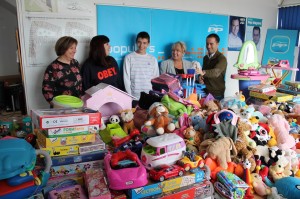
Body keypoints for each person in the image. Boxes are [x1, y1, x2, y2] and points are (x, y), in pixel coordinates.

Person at [42, 36, 82, 107]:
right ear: (63, 49)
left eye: (75, 48)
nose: (75, 51)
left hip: (77, 105)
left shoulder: (75, 63)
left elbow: (79, 84)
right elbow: (46, 89)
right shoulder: (53, 67)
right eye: (71, 48)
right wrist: (56, 106)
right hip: (62, 108)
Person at [123, 31, 159, 99]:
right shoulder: (128, 57)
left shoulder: (153, 59)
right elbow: (126, 79)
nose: (141, 45)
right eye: (139, 42)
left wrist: (154, 95)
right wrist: (129, 97)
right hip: (134, 97)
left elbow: (155, 79)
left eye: (144, 43)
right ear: (136, 42)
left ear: (148, 44)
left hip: (149, 96)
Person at [199, 33, 227, 101]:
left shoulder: (222, 58)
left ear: (217, 44)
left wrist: (203, 72)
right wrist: (201, 78)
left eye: (211, 44)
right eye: (207, 44)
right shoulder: (205, 58)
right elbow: (204, 74)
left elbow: (216, 72)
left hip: (216, 94)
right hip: (204, 92)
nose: (208, 46)